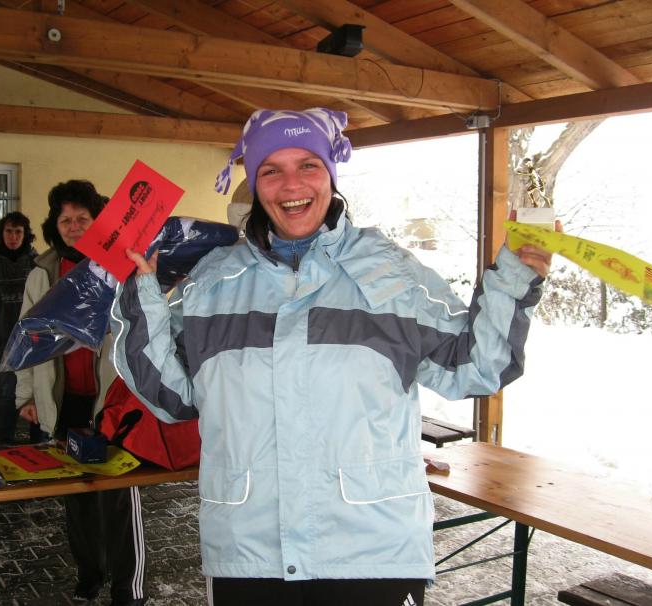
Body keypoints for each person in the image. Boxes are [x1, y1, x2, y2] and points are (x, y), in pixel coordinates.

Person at [110, 108, 556, 606]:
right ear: (254, 185)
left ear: (330, 174)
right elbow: (172, 398)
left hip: (372, 551)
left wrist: (513, 280)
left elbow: (477, 366)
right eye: (271, 170)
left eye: (308, 165)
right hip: (250, 554)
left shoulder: (389, 271)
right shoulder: (214, 282)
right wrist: (140, 292)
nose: (291, 184)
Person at [15, 180, 146, 606]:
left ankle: (128, 588)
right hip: (64, 400)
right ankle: (90, 574)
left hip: (111, 399)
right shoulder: (43, 273)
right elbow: (27, 336)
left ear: (98, 222)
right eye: (65, 220)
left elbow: (142, 325)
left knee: (118, 495)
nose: (73, 226)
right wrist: (26, 397)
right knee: (77, 492)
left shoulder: (120, 267)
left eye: (82, 219)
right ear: (54, 225)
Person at [0, 211, 41, 444]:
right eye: (9, 232)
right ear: (1, 235)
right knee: (8, 394)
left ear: (26, 235)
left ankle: (40, 446)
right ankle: (5, 446)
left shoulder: (38, 265)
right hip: (5, 341)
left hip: (37, 341)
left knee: (39, 393)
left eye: (18, 232)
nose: (13, 237)